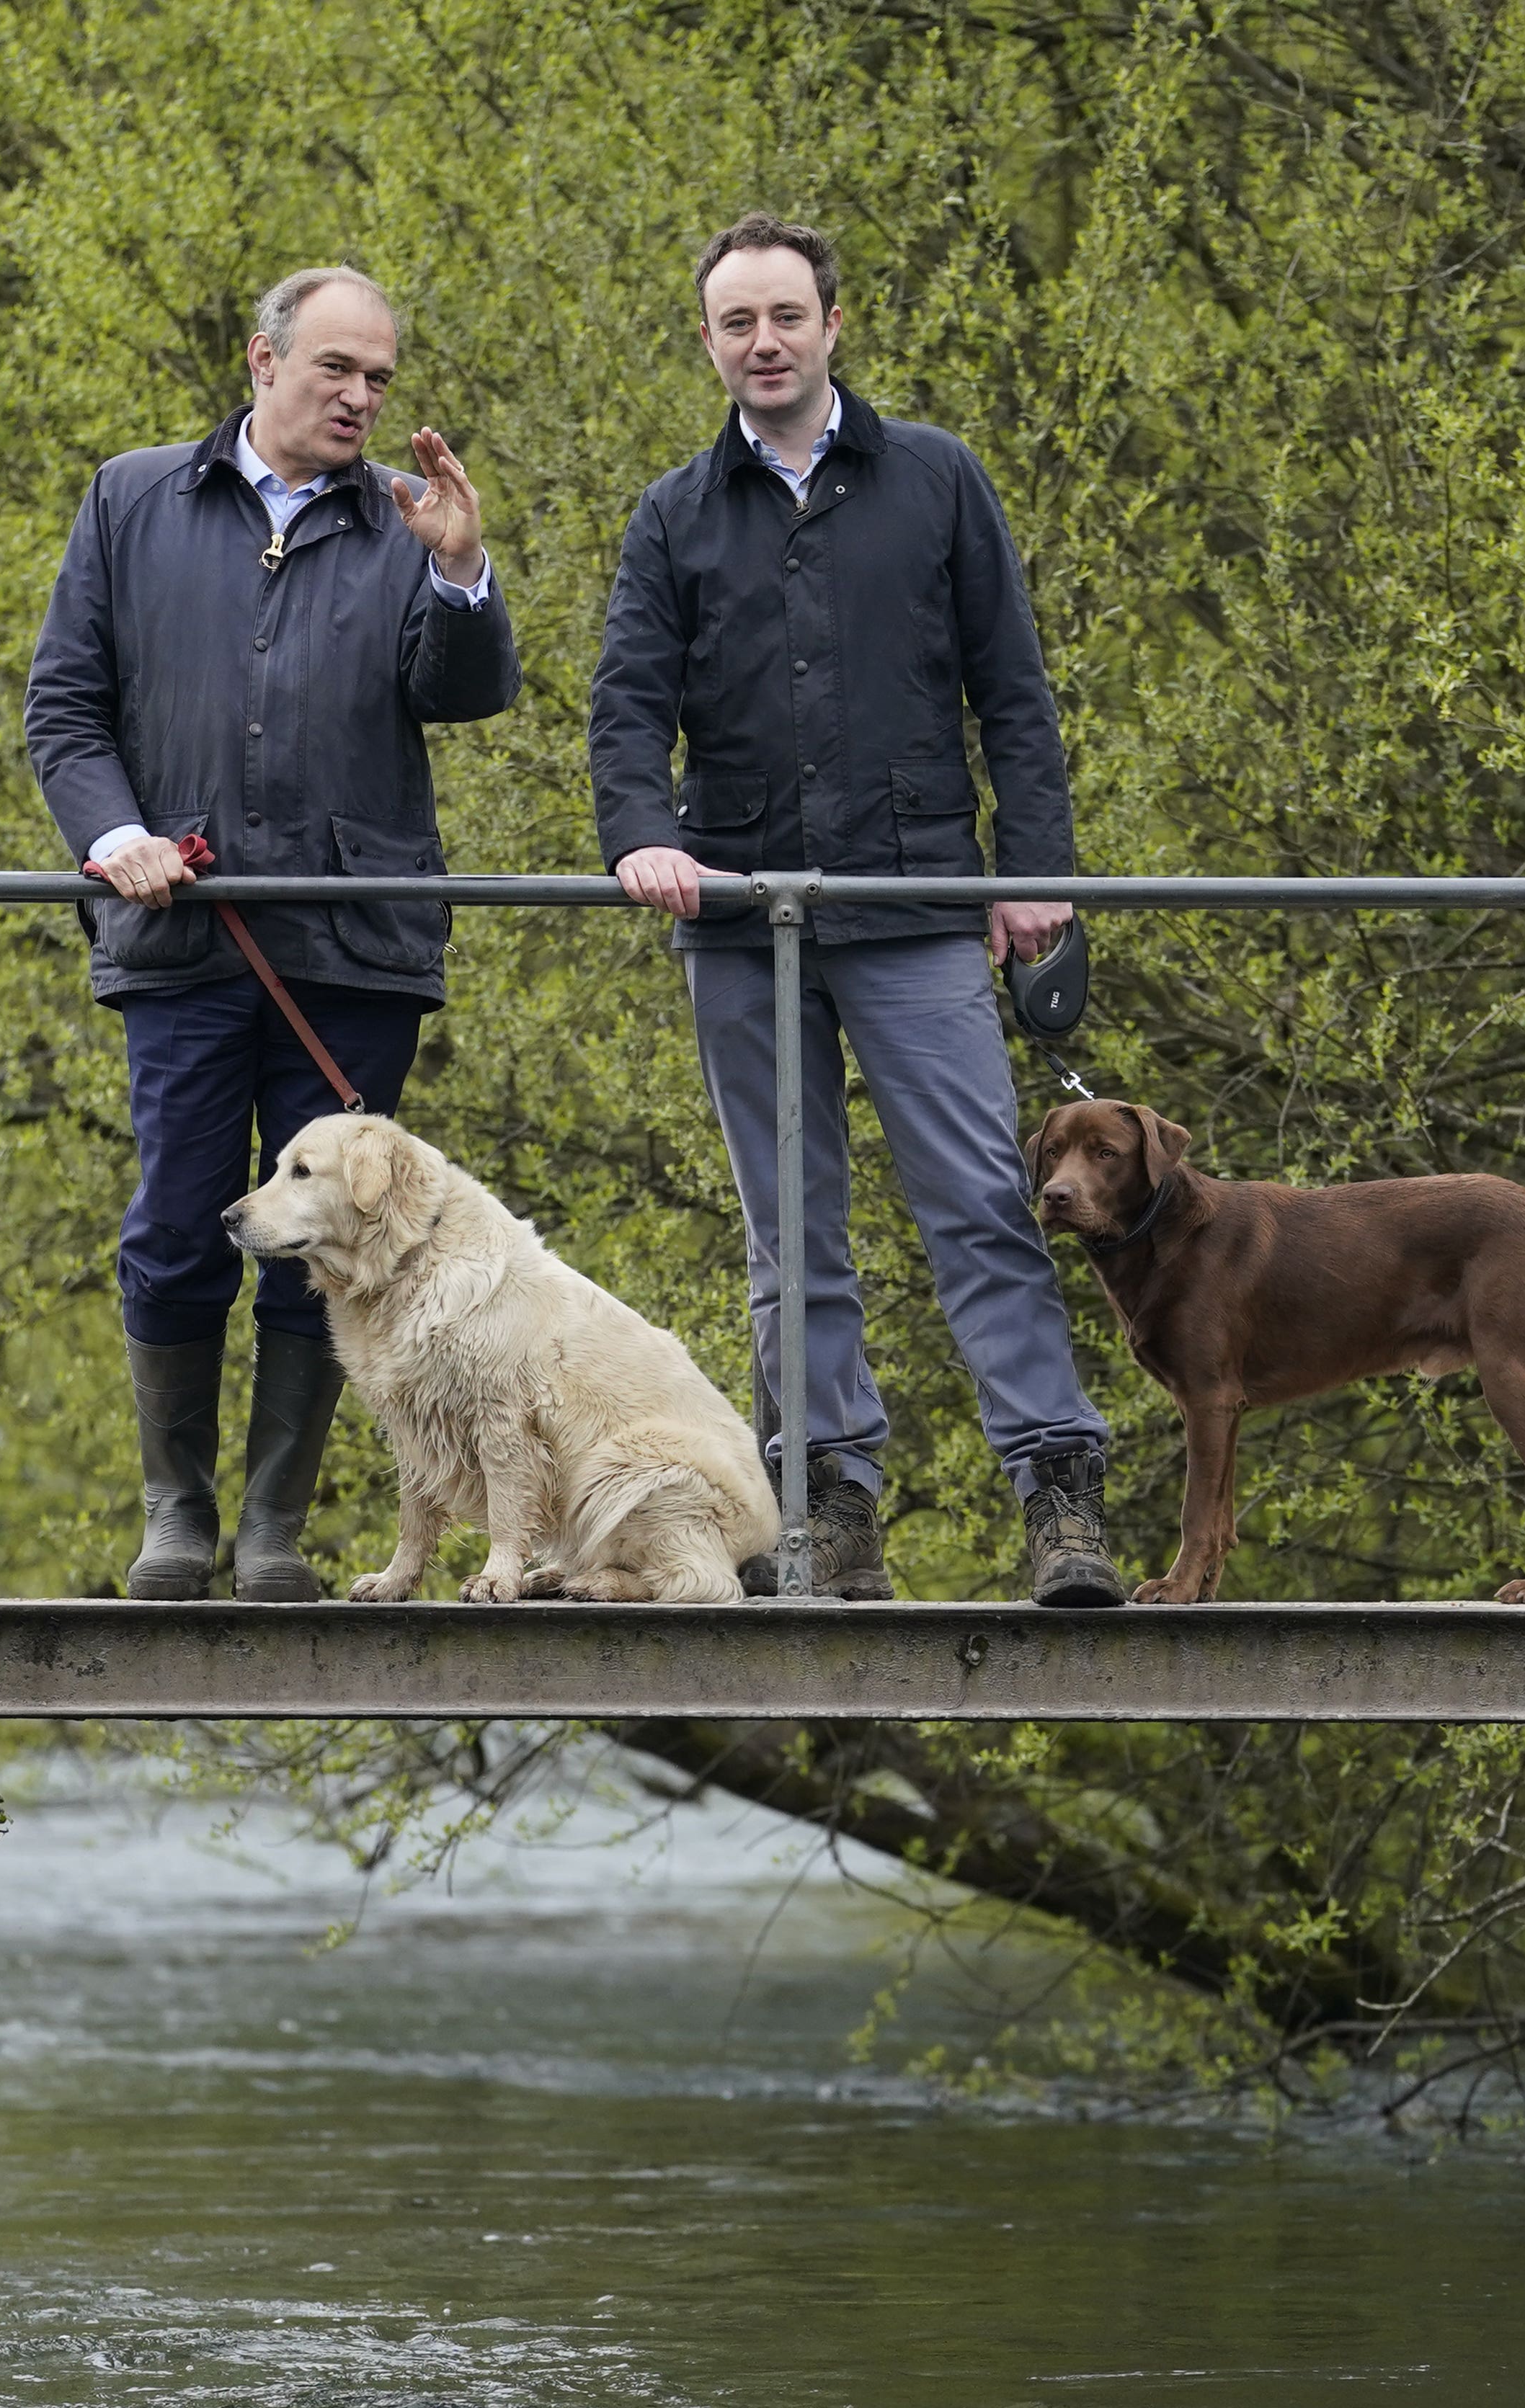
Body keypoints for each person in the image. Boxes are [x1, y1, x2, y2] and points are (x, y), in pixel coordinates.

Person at [587, 212, 1126, 1607]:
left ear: (834, 324)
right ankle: (830, 1516)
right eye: (734, 324)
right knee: (791, 1238)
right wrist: (644, 839)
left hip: (917, 909)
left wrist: (1035, 869)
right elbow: (628, 711)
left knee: (983, 1211)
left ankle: (1061, 1500)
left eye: (784, 317)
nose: (762, 343)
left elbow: (1014, 692)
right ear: (706, 343)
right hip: (739, 915)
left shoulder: (938, 480)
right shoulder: (671, 516)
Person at [27, 267, 517, 1601]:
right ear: (263, 360)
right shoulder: (134, 498)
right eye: (336, 371)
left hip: (354, 948)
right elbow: (64, 707)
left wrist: (462, 571)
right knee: (182, 1218)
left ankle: (273, 1534)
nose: (361, 398)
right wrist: (111, 831)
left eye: (379, 381)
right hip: (180, 943)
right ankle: (176, 1518)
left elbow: (464, 694)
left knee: (337, 1245)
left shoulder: (406, 523)